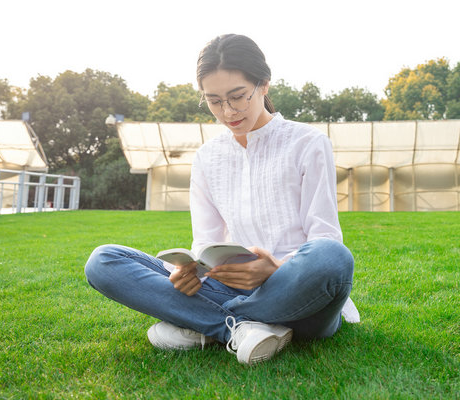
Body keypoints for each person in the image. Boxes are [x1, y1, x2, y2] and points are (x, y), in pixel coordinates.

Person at [84, 33, 359, 365]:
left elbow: (325, 237)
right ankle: (236, 328)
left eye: (238, 96)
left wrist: (274, 269)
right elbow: (205, 244)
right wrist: (189, 272)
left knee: (332, 258)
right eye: (214, 101)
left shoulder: (308, 143)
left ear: (264, 85)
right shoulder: (207, 158)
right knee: (104, 261)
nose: (228, 111)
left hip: (297, 290)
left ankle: (201, 323)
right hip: (229, 286)